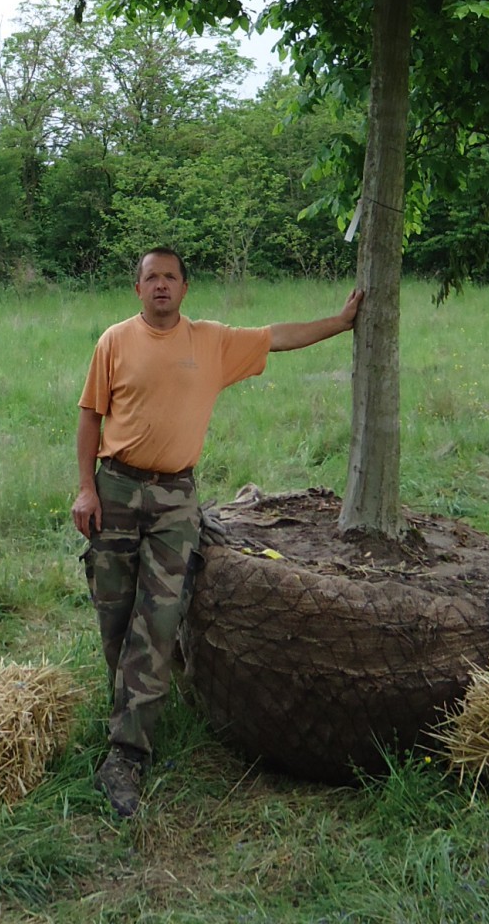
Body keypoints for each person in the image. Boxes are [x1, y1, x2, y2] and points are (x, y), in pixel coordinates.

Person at [72, 245, 364, 818]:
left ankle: (126, 755)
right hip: (116, 490)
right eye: (151, 278)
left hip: (176, 499)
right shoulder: (113, 341)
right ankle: (133, 704)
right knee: (115, 615)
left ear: (185, 288)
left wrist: (339, 321)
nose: (161, 286)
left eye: (171, 278)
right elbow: (89, 417)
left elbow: (278, 336)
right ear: (138, 290)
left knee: (157, 621)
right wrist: (86, 488)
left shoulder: (212, 342)